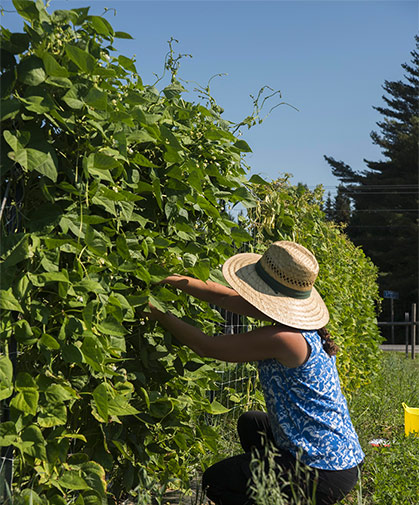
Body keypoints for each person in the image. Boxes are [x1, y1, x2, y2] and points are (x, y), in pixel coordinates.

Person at [143, 240, 365, 505]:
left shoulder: (284, 339)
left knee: (217, 480)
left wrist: (157, 312)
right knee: (253, 423)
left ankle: (291, 497)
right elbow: (222, 296)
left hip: (324, 471)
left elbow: (206, 346)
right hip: (341, 458)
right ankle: (284, 491)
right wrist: (174, 280)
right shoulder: (299, 327)